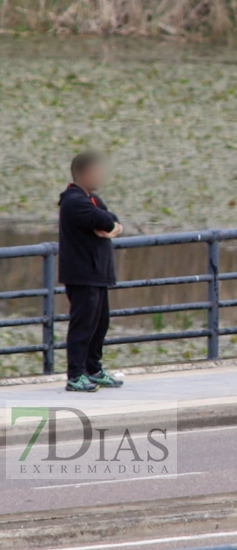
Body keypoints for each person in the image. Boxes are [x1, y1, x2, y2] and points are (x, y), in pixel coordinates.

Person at [58, 151, 125, 392]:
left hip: (97, 274)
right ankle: (75, 375)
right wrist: (109, 226)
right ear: (83, 173)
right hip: (83, 273)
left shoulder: (92, 199)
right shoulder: (74, 201)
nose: (100, 176)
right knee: (83, 325)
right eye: (96, 171)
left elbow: (113, 221)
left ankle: (93, 369)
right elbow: (106, 222)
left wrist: (111, 227)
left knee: (99, 324)